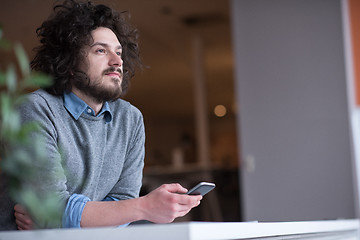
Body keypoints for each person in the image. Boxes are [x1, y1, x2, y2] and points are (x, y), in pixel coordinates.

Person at [0, 0, 202, 230]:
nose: (117, 61)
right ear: (69, 62)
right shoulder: (35, 109)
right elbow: (51, 207)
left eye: (118, 52)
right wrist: (143, 207)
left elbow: (121, 204)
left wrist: (63, 220)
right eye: (100, 51)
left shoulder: (130, 119)